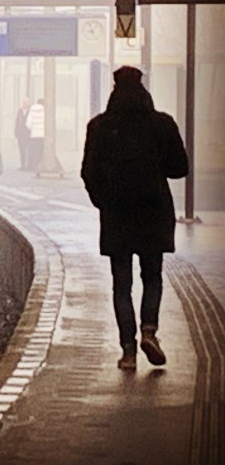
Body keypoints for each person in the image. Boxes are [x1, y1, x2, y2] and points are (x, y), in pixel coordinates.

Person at [80, 66, 188, 370]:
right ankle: (149, 330)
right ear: (143, 87)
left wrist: (103, 201)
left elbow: (88, 172)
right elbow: (180, 168)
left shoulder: (99, 126)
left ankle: (128, 352)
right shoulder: (162, 124)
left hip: (117, 215)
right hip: (154, 213)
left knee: (121, 284)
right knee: (152, 277)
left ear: (114, 88)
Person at [25, 97, 45, 171]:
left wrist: (33, 129)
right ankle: (40, 164)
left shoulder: (32, 110)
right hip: (43, 135)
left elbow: (28, 124)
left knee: (34, 150)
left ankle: (34, 165)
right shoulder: (45, 110)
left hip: (34, 134)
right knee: (41, 151)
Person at [14, 98, 31, 171]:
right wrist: (16, 131)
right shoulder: (19, 111)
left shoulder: (31, 111)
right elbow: (17, 121)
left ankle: (28, 165)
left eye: (26, 102)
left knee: (29, 150)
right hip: (20, 133)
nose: (25, 104)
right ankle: (22, 165)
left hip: (28, 133)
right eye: (24, 102)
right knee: (22, 150)